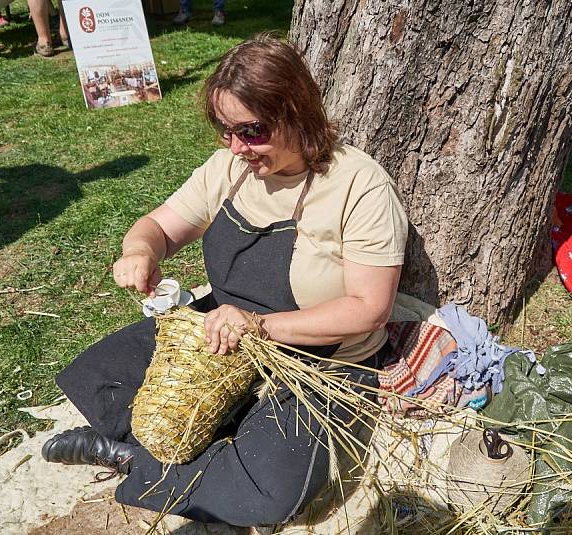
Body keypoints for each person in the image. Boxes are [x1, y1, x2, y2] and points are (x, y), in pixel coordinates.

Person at [41, 34, 408, 527]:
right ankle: (198, 450)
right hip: (223, 331)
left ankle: (134, 459)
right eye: (224, 129)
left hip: (320, 360)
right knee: (96, 375)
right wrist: (140, 251)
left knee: (273, 492)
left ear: (298, 113)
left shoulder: (358, 186)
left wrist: (259, 326)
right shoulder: (229, 168)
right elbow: (160, 226)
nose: (237, 147)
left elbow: (368, 307)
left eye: (251, 131)